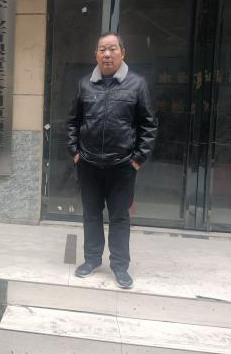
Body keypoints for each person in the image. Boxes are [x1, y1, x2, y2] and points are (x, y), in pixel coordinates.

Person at [67, 33, 157, 289]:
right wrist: (75, 151)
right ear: (96, 54)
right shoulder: (85, 84)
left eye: (112, 49)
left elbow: (149, 125)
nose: (107, 54)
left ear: (122, 53)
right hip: (89, 164)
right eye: (102, 49)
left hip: (122, 165)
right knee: (91, 215)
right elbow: (73, 121)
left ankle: (120, 266)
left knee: (119, 217)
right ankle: (92, 259)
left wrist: (137, 159)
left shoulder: (137, 84)